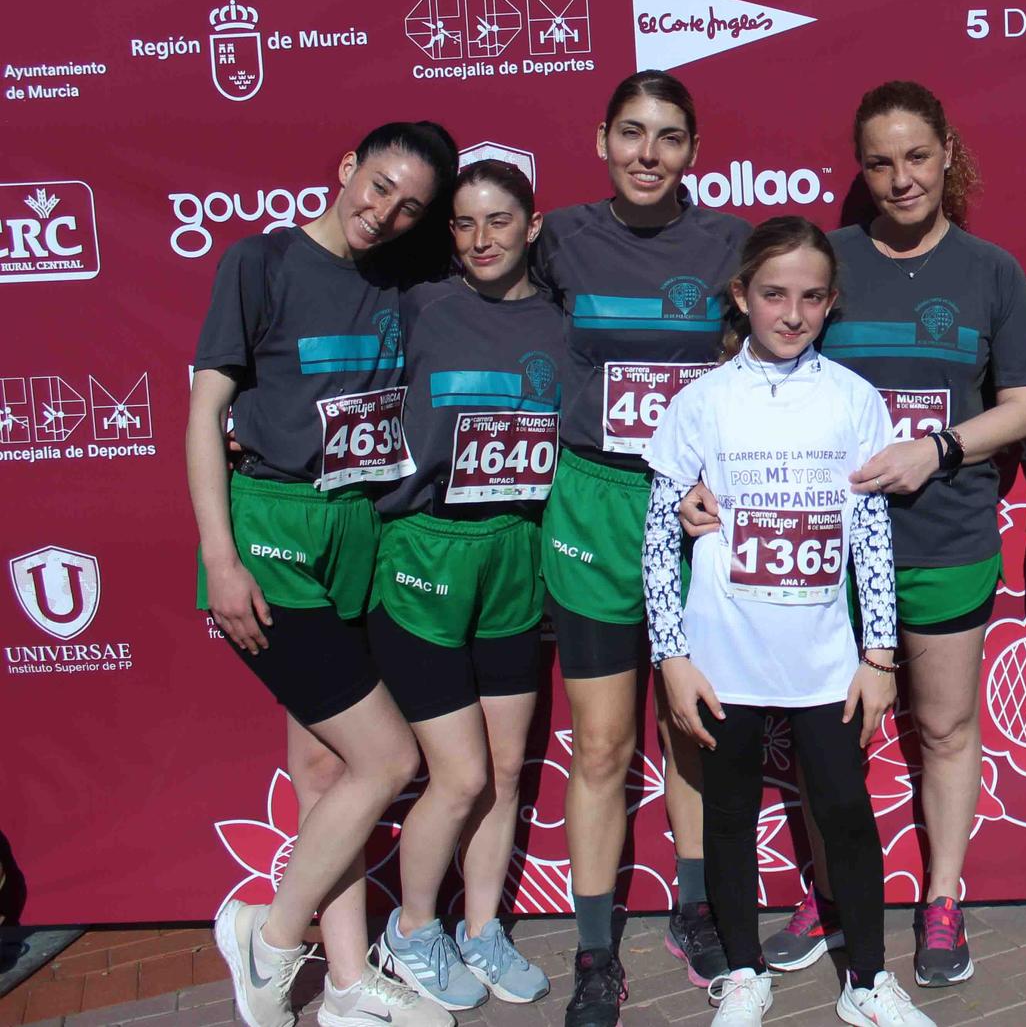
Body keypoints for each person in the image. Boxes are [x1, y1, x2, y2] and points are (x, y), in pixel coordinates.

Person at [742, 82, 1026, 985]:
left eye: (917, 156)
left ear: (947, 152)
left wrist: (939, 449)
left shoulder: (992, 271)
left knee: (946, 727)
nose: (901, 177)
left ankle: (943, 898)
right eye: (880, 161)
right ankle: (830, 894)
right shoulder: (823, 259)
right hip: (826, 547)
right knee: (831, 735)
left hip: (946, 536)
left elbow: (1024, 405)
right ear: (860, 167)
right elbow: (757, 366)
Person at [193, 122, 459, 1027]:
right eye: (378, 184)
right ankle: (267, 934)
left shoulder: (404, 282)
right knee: (387, 757)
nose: (384, 212)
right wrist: (221, 558)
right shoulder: (259, 263)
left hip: (359, 533)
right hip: (272, 531)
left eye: (409, 205)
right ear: (346, 166)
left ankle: (346, 986)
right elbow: (204, 416)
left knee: (324, 763)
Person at [640, 217, 934, 1027]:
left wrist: (880, 654)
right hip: (721, 650)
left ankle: (868, 981)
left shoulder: (854, 400)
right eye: (774, 294)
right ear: (742, 295)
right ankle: (742, 972)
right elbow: (659, 538)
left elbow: (872, 535)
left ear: (833, 302)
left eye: (811, 297)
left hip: (822, 656)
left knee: (843, 806)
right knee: (729, 811)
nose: (792, 312)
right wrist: (670, 654)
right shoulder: (700, 402)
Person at [538, 72, 750, 1014]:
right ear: (601, 140)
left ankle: (695, 907)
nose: (648, 153)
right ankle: (594, 951)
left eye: (669, 137)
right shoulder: (559, 239)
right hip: (592, 504)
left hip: (690, 510)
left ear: (693, 153)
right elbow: (467, 291)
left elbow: (778, 339)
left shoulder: (727, 245)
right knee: (603, 742)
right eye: (632, 133)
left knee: (690, 725)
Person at [368, 160, 564, 1010]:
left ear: (531, 224)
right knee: (457, 774)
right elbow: (336, 376)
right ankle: (413, 929)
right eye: (463, 223)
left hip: (517, 554)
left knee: (508, 768)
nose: (481, 239)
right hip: (425, 552)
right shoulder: (420, 307)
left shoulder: (565, 324)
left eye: (498, 220)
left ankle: (481, 928)